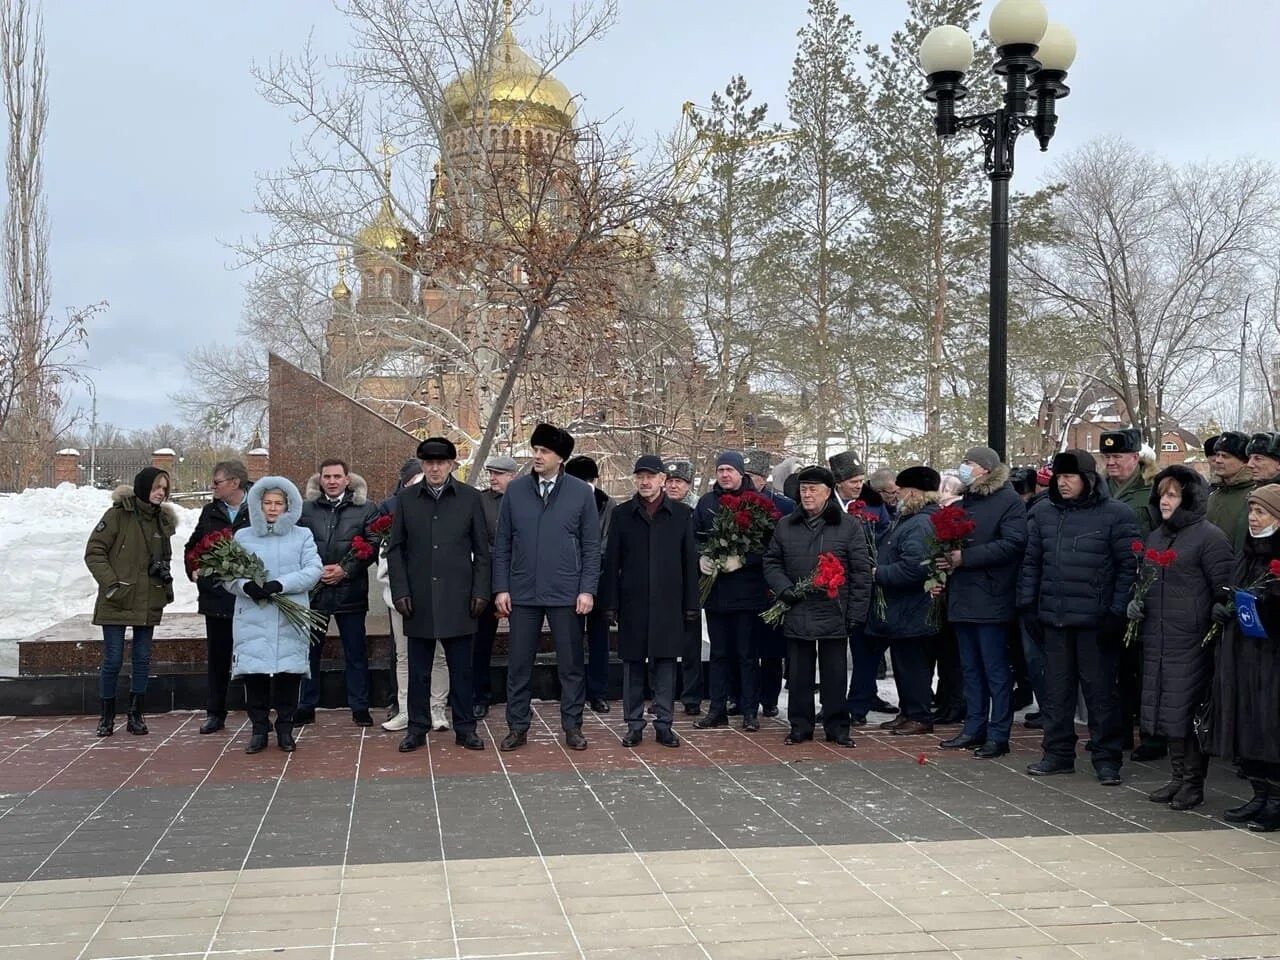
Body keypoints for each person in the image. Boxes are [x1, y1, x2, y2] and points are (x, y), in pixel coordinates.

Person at [1019, 449, 1138, 785]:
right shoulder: (1043, 513)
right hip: (1054, 619)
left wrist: (1117, 612)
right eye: (1058, 477)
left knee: (1100, 694)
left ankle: (1107, 759)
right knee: (1057, 692)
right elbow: (1031, 564)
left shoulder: (1116, 514)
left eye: (1069, 477)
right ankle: (1057, 754)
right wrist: (1028, 606)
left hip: (1095, 622)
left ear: (1087, 479)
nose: (1063, 483)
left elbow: (1128, 567)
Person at [1129, 466, 1232, 810]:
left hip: (1192, 640)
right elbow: (1146, 581)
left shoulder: (1209, 537)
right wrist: (1137, 603)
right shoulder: (1157, 537)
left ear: (1189, 497)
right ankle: (1176, 777)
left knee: (1188, 712)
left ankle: (1193, 783)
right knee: (1168, 711)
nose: (1164, 500)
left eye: (1172, 494)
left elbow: (1224, 588)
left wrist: (1218, 613)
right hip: (1159, 638)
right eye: (1162, 494)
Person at [494, 423, 601, 751]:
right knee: (519, 665)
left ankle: (572, 726)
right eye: (535, 450)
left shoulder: (581, 493)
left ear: (560, 458)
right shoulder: (515, 491)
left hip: (566, 592)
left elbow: (590, 546)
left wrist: (587, 589)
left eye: (544, 452)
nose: (537, 456)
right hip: (523, 591)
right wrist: (501, 587)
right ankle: (517, 726)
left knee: (570, 665)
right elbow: (502, 544)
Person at [386, 437, 489, 753]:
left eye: (440, 463)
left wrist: (480, 591)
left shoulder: (469, 498)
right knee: (419, 670)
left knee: (461, 669)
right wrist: (401, 590)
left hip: (459, 598)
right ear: (422, 465)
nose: (434, 468)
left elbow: (482, 552)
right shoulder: (406, 500)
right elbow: (396, 549)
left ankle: (465, 728)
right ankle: (417, 727)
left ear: (451, 466)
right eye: (428, 463)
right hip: (418, 598)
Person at [763, 465, 871, 747]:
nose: (807, 494)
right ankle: (800, 725)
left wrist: (857, 612)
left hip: (834, 609)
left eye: (813, 489)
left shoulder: (848, 525)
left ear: (827, 493)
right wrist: (785, 589)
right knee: (799, 674)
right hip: (798, 608)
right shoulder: (787, 524)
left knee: (835, 675)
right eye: (803, 489)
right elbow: (771, 561)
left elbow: (861, 571)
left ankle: (837, 726)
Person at [599, 455, 698, 748]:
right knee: (632, 665)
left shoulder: (681, 515)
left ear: (663, 481)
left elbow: (688, 561)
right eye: (640, 476)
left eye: (650, 476)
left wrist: (691, 604)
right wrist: (611, 603)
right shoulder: (623, 514)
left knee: (666, 664)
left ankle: (664, 724)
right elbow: (612, 560)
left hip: (669, 602)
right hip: (633, 601)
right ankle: (633, 724)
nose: (645, 482)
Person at [937, 446, 1027, 759]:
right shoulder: (966, 501)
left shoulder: (1008, 502)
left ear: (986, 469)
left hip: (992, 597)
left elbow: (1014, 543)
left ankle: (998, 732)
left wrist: (967, 557)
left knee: (995, 670)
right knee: (970, 669)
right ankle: (973, 726)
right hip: (963, 597)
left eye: (969, 463)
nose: (963, 467)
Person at [227, 478, 322, 754]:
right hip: (253, 615)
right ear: (258, 504)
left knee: (287, 675)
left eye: (278, 503)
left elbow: (313, 570)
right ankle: (258, 728)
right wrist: (247, 586)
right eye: (267, 503)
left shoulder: (301, 535)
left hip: (288, 616)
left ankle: (285, 728)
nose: (272, 508)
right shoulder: (243, 536)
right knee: (255, 675)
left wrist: (281, 584)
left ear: (288, 506)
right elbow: (228, 576)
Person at [1208, 485, 1280, 831]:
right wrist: (1224, 609)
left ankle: (1277, 800)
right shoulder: (1248, 553)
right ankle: (1259, 792)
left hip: (1273, 657)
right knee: (1248, 723)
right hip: (1244, 653)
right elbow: (1231, 589)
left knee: (1270, 726)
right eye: (1251, 511)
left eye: (1261, 512)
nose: (1253, 518)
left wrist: (1267, 607)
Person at [84, 467, 177, 737]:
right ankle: (106, 717)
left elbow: (165, 557)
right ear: (143, 487)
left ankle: (136, 714)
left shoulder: (162, 521)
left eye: (164, 488)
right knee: (112, 660)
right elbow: (94, 552)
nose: (161, 492)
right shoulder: (118, 515)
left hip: (148, 598)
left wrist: (164, 576)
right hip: (118, 598)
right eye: (156, 487)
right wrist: (112, 584)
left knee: (142, 659)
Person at [297, 458, 380, 726]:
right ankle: (306, 705)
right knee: (309, 653)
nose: (332, 481)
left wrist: (346, 569)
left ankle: (359, 706)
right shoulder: (304, 509)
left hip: (350, 592)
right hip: (314, 593)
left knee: (355, 653)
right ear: (319, 480)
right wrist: (314, 570)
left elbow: (373, 543)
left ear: (347, 479)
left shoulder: (366, 509)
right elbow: (297, 543)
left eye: (337, 476)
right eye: (327, 477)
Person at [693, 451, 771, 732]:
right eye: (721, 469)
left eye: (730, 470)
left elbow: (768, 547)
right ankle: (717, 709)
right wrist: (700, 557)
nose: (725, 474)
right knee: (719, 654)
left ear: (741, 473)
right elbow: (694, 538)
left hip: (748, 593)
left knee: (747, 655)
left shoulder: (758, 504)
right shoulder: (706, 503)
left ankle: (750, 710)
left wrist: (743, 560)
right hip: (716, 593)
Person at [1099, 427, 1163, 761]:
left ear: (1135, 458)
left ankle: (1152, 735)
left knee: (1144, 667)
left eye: (1118, 457)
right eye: (1107, 457)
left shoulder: (1151, 491)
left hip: (1144, 586)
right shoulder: (1097, 490)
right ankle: (1119, 731)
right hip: (1107, 588)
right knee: (1115, 667)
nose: (1111, 463)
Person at [377, 460, 450, 734]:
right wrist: (400, 594)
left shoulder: (447, 515)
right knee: (404, 656)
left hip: (440, 600)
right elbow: (386, 567)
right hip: (403, 603)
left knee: (439, 655)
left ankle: (436, 709)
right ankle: (407, 710)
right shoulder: (395, 520)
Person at [869, 467, 942, 736]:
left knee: (914, 665)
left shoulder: (920, 522)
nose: (896, 495)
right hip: (904, 608)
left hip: (913, 607)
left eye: (900, 490)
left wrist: (879, 573)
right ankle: (908, 711)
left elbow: (916, 567)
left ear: (913, 492)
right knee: (903, 663)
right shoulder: (910, 518)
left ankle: (919, 714)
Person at [183, 460, 251, 735]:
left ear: (234, 483)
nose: (213, 487)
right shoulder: (210, 511)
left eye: (217, 482)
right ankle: (215, 712)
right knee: (219, 657)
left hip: (250, 596)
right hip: (218, 597)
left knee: (253, 655)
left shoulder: (257, 507)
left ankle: (258, 711)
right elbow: (194, 545)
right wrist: (194, 568)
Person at [743, 448, 796, 719]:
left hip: (773, 586)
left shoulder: (784, 506)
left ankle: (770, 698)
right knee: (745, 646)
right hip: (743, 584)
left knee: (772, 650)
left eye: (751, 476)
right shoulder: (736, 503)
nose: (747, 481)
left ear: (763, 478)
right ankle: (743, 697)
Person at [566, 454, 616, 714]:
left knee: (599, 641)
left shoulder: (608, 505)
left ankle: (598, 692)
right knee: (571, 642)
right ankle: (573, 694)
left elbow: (610, 542)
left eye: (588, 480)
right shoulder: (563, 502)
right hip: (569, 582)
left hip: (601, 582)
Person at [473, 455, 517, 719]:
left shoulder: (525, 500)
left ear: (512, 476)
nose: (492, 478)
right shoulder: (480, 502)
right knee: (481, 643)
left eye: (498, 474)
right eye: (490, 473)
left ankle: (518, 700)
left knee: (522, 645)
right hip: (487, 582)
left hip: (521, 582)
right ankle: (480, 695)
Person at [664, 458, 703, 713]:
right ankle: (662, 697)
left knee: (691, 647)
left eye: (678, 481)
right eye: (669, 481)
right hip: (662, 586)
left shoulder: (698, 510)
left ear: (688, 484)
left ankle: (691, 698)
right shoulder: (656, 509)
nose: (673, 486)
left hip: (691, 585)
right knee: (661, 646)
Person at [1205, 431, 1254, 551]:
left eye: (1225, 456)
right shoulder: (1213, 495)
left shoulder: (1255, 496)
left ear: (1245, 461)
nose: (1218, 460)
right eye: (1217, 455)